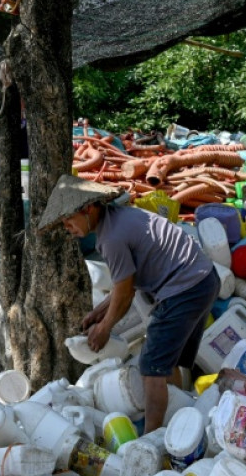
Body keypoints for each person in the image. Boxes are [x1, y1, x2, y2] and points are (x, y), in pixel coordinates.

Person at [39, 175, 220, 432]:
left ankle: (152, 438)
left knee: (151, 368)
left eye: (69, 221)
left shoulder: (110, 239)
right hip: (204, 279)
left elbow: (125, 296)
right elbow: (125, 284)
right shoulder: (119, 219)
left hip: (184, 289)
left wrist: (104, 329)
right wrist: (98, 313)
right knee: (168, 360)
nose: (69, 228)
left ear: (88, 209)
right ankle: (182, 417)